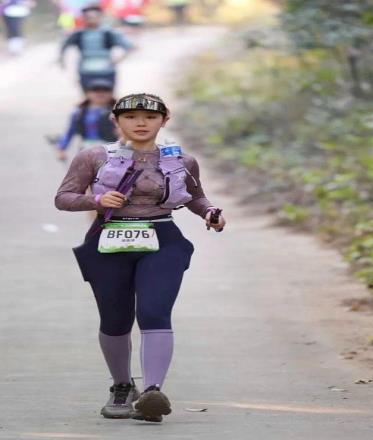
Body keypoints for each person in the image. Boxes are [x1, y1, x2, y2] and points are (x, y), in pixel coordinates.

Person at [55, 93, 226, 422]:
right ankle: (121, 385)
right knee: (115, 318)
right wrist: (97, 200)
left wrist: (210, 213)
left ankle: (152, 392)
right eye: (131, 117)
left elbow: (196, 197)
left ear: (164, 120)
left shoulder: (182, 160)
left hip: (163, 237)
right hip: (109, 239)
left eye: (149, 117)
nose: (141, 123)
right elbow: (63, 197)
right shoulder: (93, 156)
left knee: (154, 311)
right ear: (116, 120)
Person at [58, 4, 133, 92]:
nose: (91, 19)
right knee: (89, 95)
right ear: (83, 18)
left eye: (94, 17)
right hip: (86, 71)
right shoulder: (78, 34)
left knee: (106, 95)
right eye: (88, 17)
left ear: (100, 17)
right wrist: (62, 61)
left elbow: (129, 47)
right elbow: (64, 47)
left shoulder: (109, 33)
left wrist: (118, 60)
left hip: (106, 71)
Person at [46, 79, 118, 161]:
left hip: (111, 149)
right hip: (87, 148)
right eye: (95, 90)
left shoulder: (118, 111)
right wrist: (62, 148)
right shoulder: (79, 112)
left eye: (105, 90)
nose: (100, 93)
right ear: (87, 93)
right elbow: (70, 131)